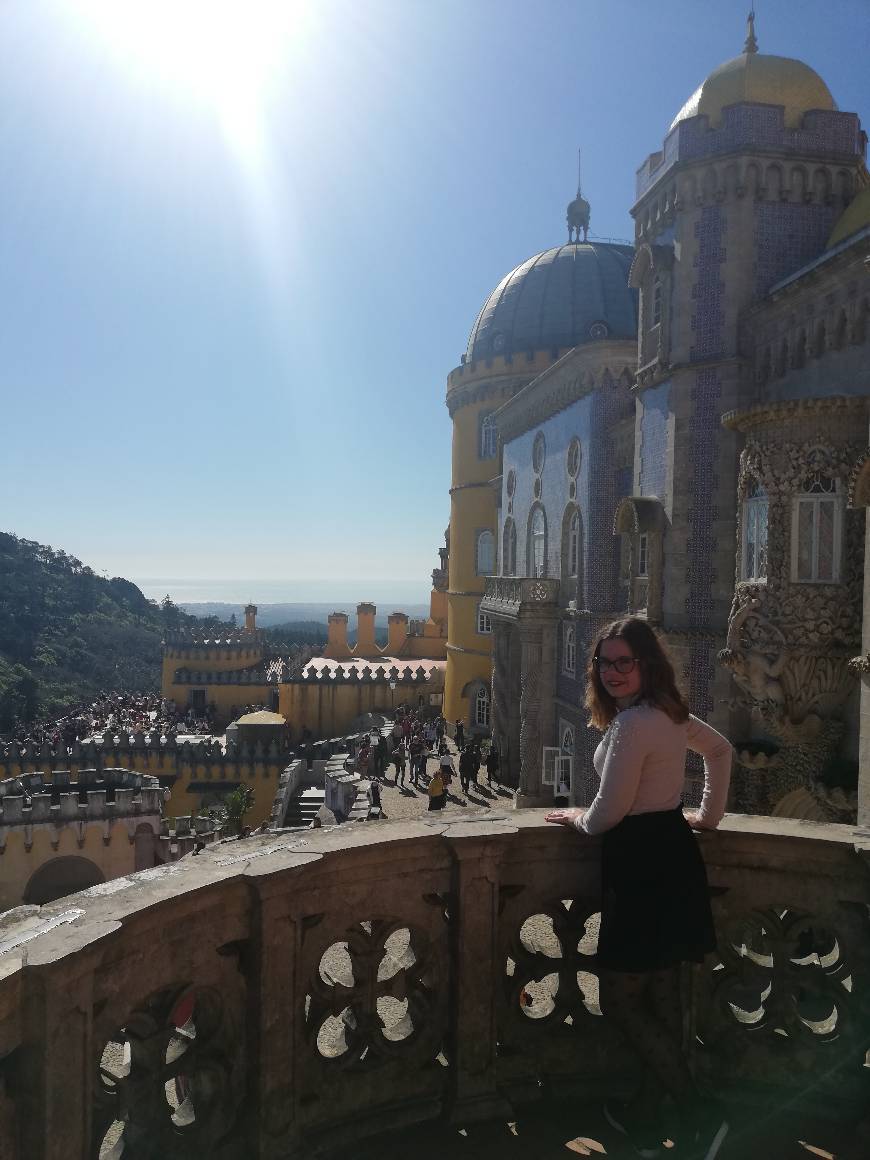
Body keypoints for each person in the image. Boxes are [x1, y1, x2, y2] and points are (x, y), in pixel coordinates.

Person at [546, 618, 732, 1160]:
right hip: (673, 851)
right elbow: (719, 752)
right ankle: (649, 1117)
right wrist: (707, 817)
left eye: (624, 661)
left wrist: (576, 817)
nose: (612, 673)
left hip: (640, 863)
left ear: (646, 664)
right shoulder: (668, 715)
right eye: (604, 662)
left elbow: (607, 814)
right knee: (660, 995)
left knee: (622, 1000)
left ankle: (702, 1110)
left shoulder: (633, 726)